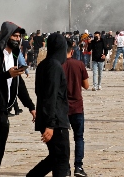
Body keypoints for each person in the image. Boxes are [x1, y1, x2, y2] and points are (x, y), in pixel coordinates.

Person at [0, 21, 36, 177]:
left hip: (4, 108)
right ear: (6, 36)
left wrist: (31, 107)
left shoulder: (15, 56)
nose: (17, 39)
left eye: (19, 36)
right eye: (14, 36)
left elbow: (19, 83)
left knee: (0, 148)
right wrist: (6, 75)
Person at [27, 33, 70, 177]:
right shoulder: (54, 66)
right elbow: (50, 96)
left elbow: (41, 93)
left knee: (56, 156)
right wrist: (51, 124)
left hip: (50, 118)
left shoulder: (43, 65)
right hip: (56, 121)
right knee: (62, 157)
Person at [62, 39, 89, 177]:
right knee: (79, 138)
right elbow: (86, 85)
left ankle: (65, 168)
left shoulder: (58, 65)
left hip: (62, 108)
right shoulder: (79, 64)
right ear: (72, 51)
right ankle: (78, 166)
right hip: (77, 107)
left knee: (64, 139)